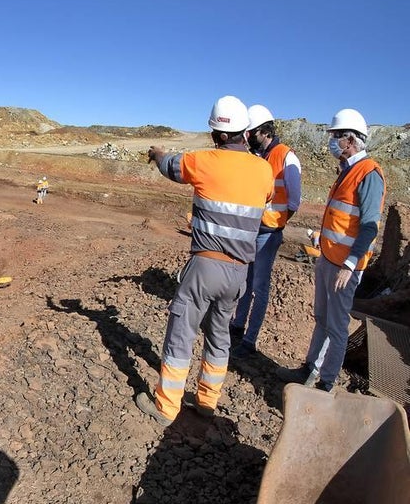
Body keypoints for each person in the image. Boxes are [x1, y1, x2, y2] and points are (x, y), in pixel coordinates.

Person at [135, 96, 274, 426]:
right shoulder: (264, 169)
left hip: (205, 267)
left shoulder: (204, 160)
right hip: (239, 273)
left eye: (213, 133)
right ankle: (207, 402)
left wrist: (156, 154)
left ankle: (167, 407)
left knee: (181, 332)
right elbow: (265, 198)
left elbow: (170, 166)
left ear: (222, 136)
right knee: (219, 336)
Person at [277, 109, 386, 391]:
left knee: (337, 328)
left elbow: (370, 226)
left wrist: (350, 265)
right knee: (322, 319)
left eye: (335, 137)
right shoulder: (347, 171)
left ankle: (325, 384)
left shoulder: (368, 174)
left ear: (350, 140)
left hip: (345, 268)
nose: (331, 142)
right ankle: (308, 371)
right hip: (328, 258)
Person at [229, 105, 303, 359]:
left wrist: (277, 223)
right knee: (245, 281)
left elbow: (293, 202)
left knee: (260, 286)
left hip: (268, 232)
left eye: (251, 133)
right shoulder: (259, 156)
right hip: (252, 229)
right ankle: (237, 326)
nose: (248, 137)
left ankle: (249, 341)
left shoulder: (286, 157)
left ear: (264, 131)